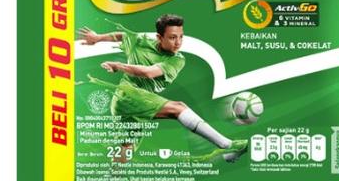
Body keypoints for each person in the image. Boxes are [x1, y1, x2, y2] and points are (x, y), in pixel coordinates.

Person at [78, 14, 248, 163]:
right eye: (173, 37)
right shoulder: (141, 41)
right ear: (159, 37)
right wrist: (97, 38)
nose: (178, 42)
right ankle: (227, 145)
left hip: (137, 104)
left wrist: (119, 65)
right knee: (178, 108)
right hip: (126, 95)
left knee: (122, 156)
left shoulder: (177, 60)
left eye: (181, 37)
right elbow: (122, 36)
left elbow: (149, 73)